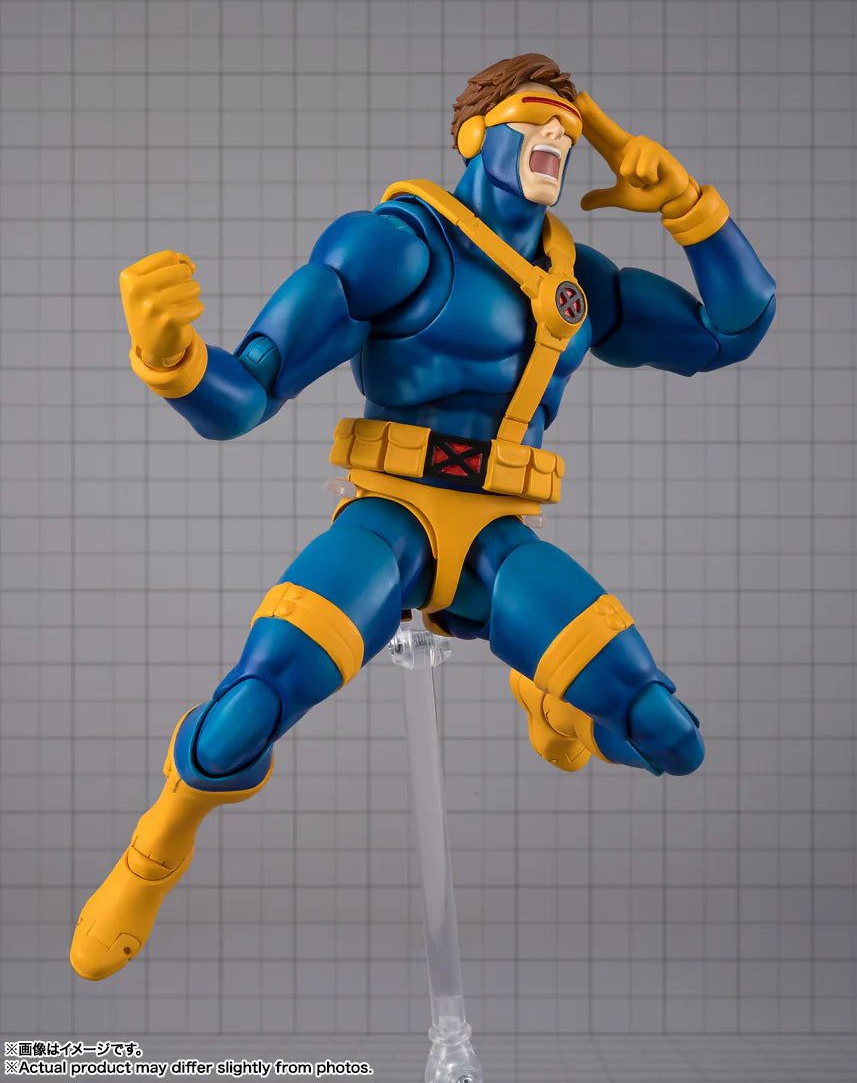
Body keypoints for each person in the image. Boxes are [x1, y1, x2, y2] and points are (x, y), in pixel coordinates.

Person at [70, 53, 776, 981]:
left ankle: (555, 707)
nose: (556, 136)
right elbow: (240, 400)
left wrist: (687, 204)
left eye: (570, 128)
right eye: (534, 117)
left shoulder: (579, 283)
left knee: (667, 735)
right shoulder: (394, 247)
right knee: (253, 703)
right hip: (391, 521)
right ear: (474, 133)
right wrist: (172, 359)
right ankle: (157, 844)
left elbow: (731, 330)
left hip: (496, 542)